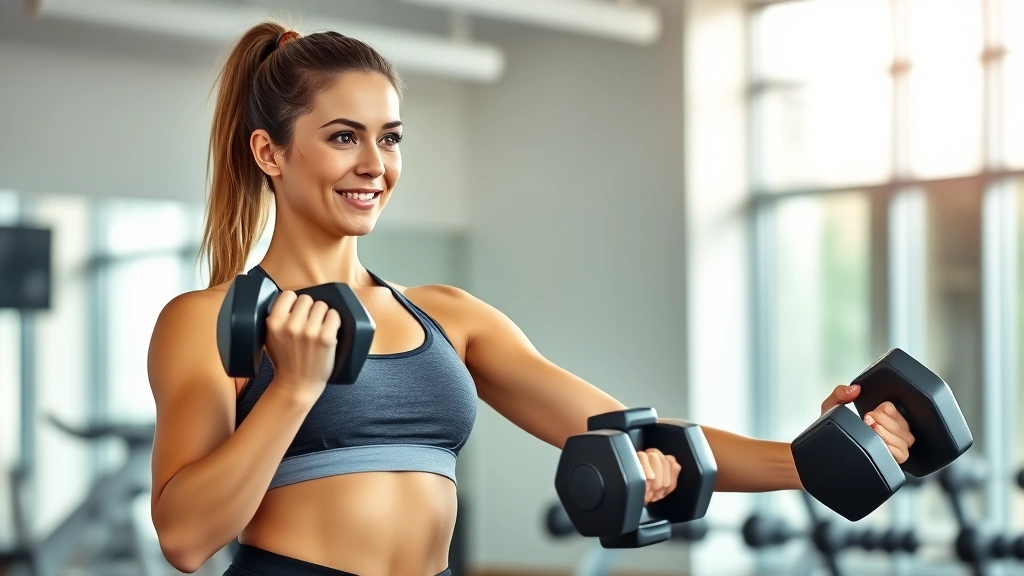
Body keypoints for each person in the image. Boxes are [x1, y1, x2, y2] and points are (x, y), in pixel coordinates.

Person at [146, 22, 916, 576]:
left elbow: (636, 434)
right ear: (269, 151)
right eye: (344, 136)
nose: (376, 164)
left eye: (391, 137)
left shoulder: (449, 316)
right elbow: (185, 540)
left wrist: (818, 456)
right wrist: (292, 392)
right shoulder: (206, 321)